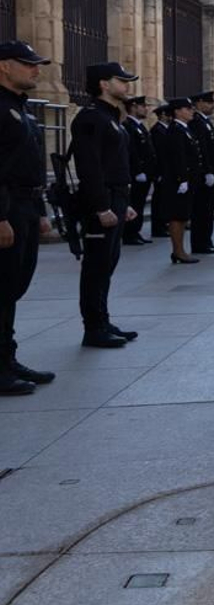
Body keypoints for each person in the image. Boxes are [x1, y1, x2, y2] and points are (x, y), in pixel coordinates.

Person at [0, 41, 57, 396]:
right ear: (4, 66)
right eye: (28, 64)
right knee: (2, 288)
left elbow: (30, 166)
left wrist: (39, 212)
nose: (36, 70)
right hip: (6, 208)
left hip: (24, 206)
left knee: (12, 288)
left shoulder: (18, 107)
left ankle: (7, 358)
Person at [70, 62, 140, 348]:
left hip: (116, 196)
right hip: (102, 199)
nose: (126, 86)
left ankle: (102, 319)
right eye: (121, 80)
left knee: (108, 262)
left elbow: (114, 163)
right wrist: (101, 206)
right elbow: (90, 166)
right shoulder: (90, 118)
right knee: (96, 266)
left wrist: (125, 203)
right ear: (103, 84)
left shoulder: (110, 117)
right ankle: (93, 327)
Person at [156, 97, 202, 263]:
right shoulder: (176, 130)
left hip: (186, 180)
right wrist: (182, 179)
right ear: (177, 112)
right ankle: (178, 251)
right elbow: (178, 156)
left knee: (183, 216)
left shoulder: (184, 129)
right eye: (187, 109)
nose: (191, 111)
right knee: (177, 216)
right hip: (178, 181)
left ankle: (180, 250)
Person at [187, 91, 214, 254]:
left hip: (211, 171)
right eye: (209, 103)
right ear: (200, 102)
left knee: (208, 211)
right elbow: (202, 148)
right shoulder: (196, 121)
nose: (212, 106)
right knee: (201, 211)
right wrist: (207, 171)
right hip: (204, 174)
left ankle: (206, 241)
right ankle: (200, 243)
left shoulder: (204, 121)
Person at [122, 95, 155, 245]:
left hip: (145, 173)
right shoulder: (128, 125)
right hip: (137, 174)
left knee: (140, 203)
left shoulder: (140, 126)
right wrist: (137, 170)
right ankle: (130, 233)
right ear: (134, 107)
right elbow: (131, 151)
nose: (146, 109)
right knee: (134, 203)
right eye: (143, 106)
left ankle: (136, 231)